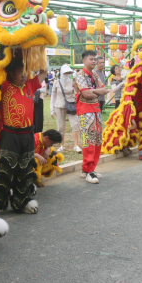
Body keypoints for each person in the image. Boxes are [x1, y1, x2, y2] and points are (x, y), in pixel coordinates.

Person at [0, 59, 47, 214]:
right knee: (3, 170)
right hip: (9, 135)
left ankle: (22, 201)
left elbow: (44, 72)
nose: (23, 76)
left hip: (28, 135)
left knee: (25, 170)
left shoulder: (30, 85)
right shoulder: (5, 86)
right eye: (20, 72)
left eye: (25, 72)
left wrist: (34, 56)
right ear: (11, 73)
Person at [74, 51, 109, 184]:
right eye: (91, 59)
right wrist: (95, 92)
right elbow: (87, 95)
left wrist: (92, 91)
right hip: (84, 111)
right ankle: (89, 171)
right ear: (84, 61)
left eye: (95, 59)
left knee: (97, 139)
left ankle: (88, 169)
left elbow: (104, 89)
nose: (94, 61)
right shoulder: (80, 75)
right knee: (88, 139)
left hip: (96, 110)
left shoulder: (95, 74)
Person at [50, 64, 81, 153]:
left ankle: (76, 145)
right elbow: (53, 96)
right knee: (60, 126)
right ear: (62, 73)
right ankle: (62, 145)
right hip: (59, 106)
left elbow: (77, 93)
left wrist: (75, 86)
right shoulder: (56, 82)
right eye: (65, 72)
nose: (67, 74)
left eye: (69, 72)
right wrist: (52, 109)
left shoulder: (72, 82)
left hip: (71, 105)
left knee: (75, 124)